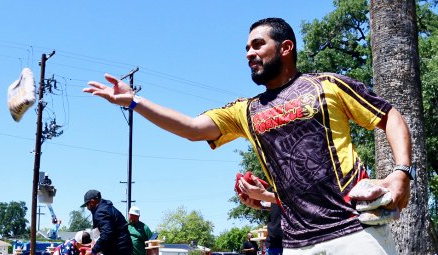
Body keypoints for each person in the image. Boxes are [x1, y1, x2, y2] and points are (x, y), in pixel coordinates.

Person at [83, 17, 412, 254]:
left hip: (355, 235)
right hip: (296, 243)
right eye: (246, 48)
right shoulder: (246, 110)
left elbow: (390, 116)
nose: (249, 53)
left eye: (258, 45)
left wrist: (401, 173)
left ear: (285, 47)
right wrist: (135, 102)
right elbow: (191, 128)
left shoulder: (327, 85)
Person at [81, 189, 133, 255]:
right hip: (123, 248)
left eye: (87, 204)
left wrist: (93, 251)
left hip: (117, 250)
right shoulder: (107, 208)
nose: (87, 208)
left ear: (92, 201)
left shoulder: (100, 212)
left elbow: (106, 234)